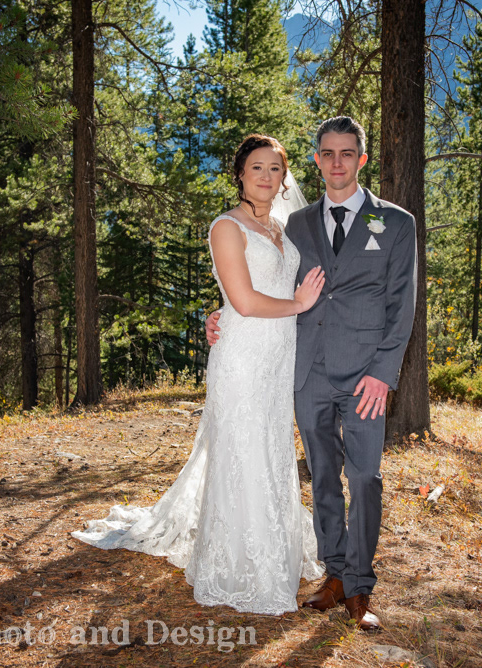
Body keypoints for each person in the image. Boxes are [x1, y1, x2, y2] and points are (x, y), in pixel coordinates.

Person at [72, 134, 326, 615]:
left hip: (277, 358)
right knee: (242, 451)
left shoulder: (283, 226)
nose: (268, 177)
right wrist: (291, 304)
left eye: (276, 168)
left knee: (270, 448)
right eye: (257, 168)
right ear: (240, 174)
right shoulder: (226, 227)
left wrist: (221, 310)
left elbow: (254, 287)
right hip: (243, 358)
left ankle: (276, 548)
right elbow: (247, 301)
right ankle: (239, 564)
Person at [206, 117, 417, 631]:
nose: (338, 162)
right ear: (317, 160)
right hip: (307, 373)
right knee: (323, 476)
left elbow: (403, 306)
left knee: (364, 477)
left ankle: (362, 589)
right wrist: (219, 318)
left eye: (348, 153)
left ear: (362, 160)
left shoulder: (396, 222)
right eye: (328, 153)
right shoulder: (294, 224)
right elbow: (259, 282)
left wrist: (383, 374)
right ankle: (335, 574)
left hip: (366, 375)